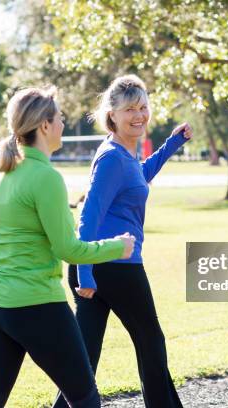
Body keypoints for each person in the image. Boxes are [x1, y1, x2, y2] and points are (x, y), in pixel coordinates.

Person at [0, 86, 136, 408]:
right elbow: (69, 250)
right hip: (37, 307)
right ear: (44, 126)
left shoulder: (2, 176)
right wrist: (117, 247)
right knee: (85, 400)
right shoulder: (46, 178)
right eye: (60, 119)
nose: (63, 125)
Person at [53, 75, 192, 408]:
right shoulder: (113, 158)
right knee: (150, 342)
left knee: (84, 359)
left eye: (143, 107)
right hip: (113, 266)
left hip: (99, 266)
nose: (139, 115)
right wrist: (85, 275)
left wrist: (171, 145)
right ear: (111, 114)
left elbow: (139, 177)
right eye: (130, 108)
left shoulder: (123, 155)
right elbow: (89, 217)